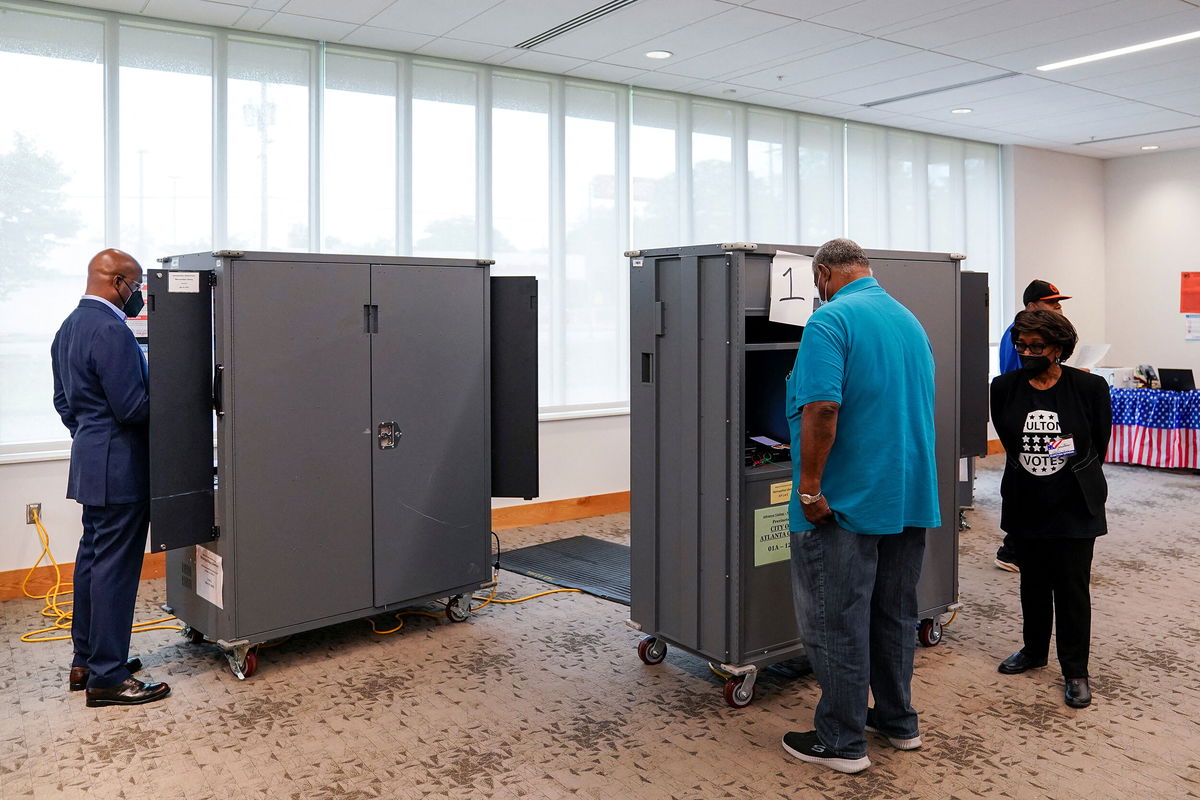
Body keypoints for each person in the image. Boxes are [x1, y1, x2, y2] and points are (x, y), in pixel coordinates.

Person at [781, 239, 939, 774]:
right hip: (907, 493)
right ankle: (897, 721)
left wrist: (809, 488)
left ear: (824, 274)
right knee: (894, 613)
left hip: (846, 501)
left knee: (835, 619)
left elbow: (823, 406)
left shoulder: (830, 321)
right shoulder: (908, 321)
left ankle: (841, 741)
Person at [51, 248, 170, 708]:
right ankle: (108, 678)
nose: (138, 295)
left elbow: (64, 402)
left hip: (90, 461)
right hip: (121, 468)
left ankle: (86, 661)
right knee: (116, 572)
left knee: (92, 563)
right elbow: (133, 408)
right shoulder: (112, 329)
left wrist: (90, 436)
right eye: (137, 286)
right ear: (118, 282)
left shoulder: (69, 327)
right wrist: (174, 397)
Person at [990, 310, 1110, 709]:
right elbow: (1012, 442)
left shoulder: (1089, 387)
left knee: (1071, 588)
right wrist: (1053, 447)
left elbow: (1094, 445)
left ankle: (1075, 670)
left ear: (1058, 349)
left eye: (1035, 346)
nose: (1026, 352)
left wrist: (1054, 448)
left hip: (1075, 503)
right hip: (1026, 500)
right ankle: (1033, 650)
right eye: (1020, 345)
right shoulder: (1004, 387)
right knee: (1033, 582)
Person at [994, 279, 1073, 572]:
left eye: (1058, 302)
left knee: (1049, 479)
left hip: (1046, 419)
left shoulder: (1050, 337)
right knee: (1026, 481)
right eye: (1051, 302)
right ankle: (1011, 550)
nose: (1058, 307)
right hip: (1028, 419)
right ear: (1031, 306)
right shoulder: (1018, 336)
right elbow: (1017, 377)